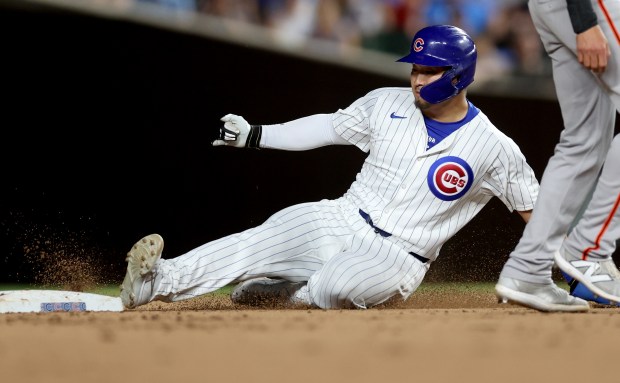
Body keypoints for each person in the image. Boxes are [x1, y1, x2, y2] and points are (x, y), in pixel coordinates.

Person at [119, 25, 587, 310]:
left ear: (460, 75)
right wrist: (256, 134)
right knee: (257, 240)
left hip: (399, 256)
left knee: (335, 285)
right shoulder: (387, 102)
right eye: (415, 69)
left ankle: (289, 293)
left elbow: (535, 211)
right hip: (341, 217)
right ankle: (158, 280)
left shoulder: (494, 146)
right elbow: (325, 127)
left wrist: (568, 274)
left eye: (429, 71)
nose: (417, 79)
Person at [496, 0, 620, 311]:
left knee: (583, 141)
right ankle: (589, 250)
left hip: (561, 9)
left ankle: (528, 268)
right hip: (587, 7)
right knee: (583, 141)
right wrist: (584, 20)